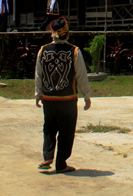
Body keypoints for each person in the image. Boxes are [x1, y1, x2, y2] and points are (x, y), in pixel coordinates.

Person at [35, 17, 91, 173]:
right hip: (67, 99)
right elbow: (81, 75)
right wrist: (86, 95)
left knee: (49, 127)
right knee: (66, 131)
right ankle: (61, 163)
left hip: (49, 99)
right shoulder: (74, 51)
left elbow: (39, 75)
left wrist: (38, 94)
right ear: (67, 33)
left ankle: (48, 156)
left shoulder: (43, 50)